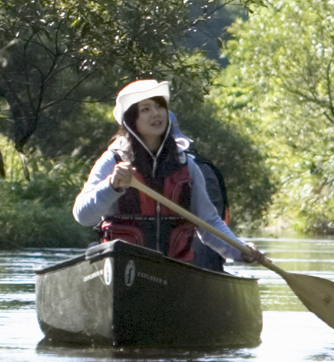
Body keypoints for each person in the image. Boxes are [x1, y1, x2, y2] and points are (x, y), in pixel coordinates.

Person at [71, 79, 254, 271]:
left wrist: (241, 250)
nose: (156, 113)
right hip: (121, 267)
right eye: (145, 109)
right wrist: (111, 186)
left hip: (174, 270)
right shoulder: (112, 161)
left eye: (159, 106)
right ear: (131, 120)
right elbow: (82, 215)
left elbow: (209, 223)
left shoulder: (187, 165)